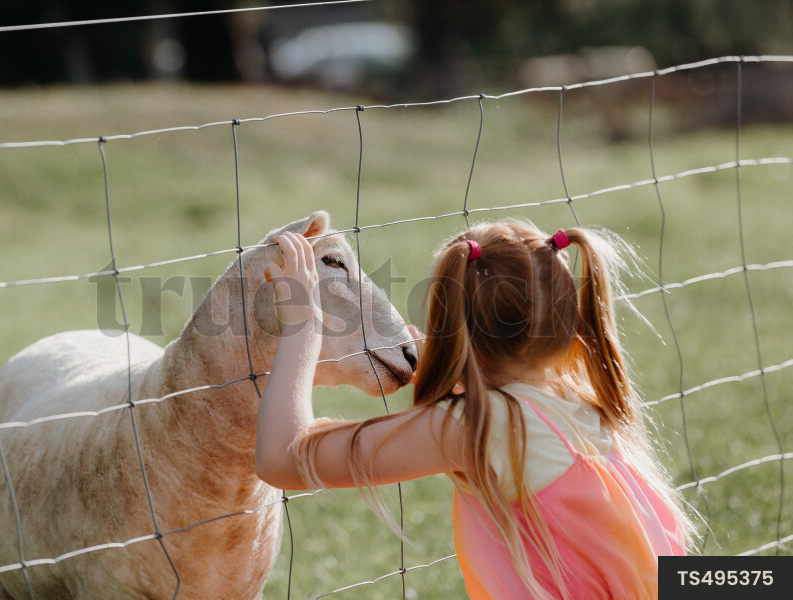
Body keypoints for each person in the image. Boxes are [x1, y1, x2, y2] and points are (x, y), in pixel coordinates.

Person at [255, 220, 690, 600]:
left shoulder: (476, 428)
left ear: (451, 333)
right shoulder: (581, 401)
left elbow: (280, 458)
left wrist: (303, 326)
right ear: (568, 324)